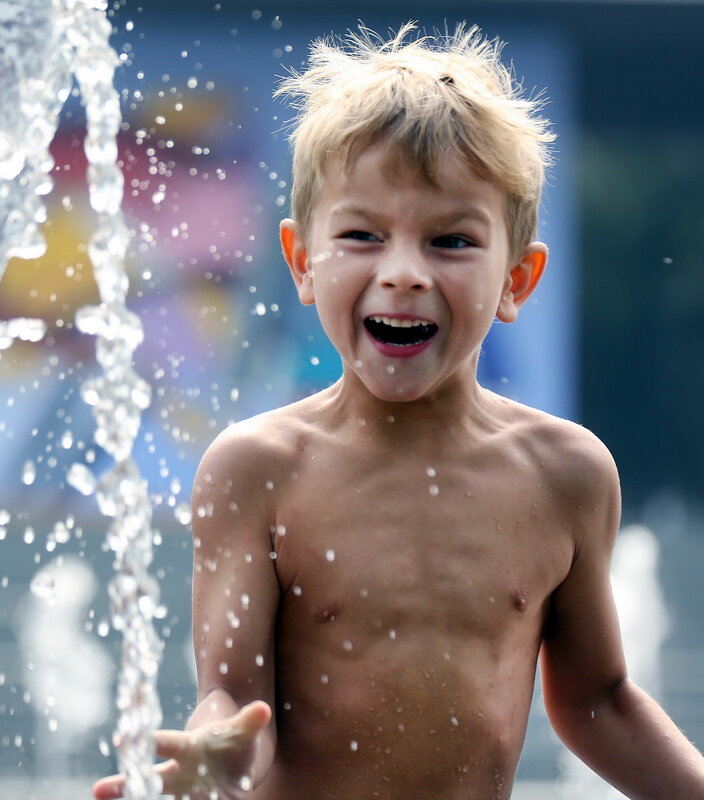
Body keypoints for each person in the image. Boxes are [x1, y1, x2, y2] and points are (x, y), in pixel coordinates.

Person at [93, 22, 704, 800]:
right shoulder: (258, 470)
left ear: (517, 278)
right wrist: (218, 756)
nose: (405, 273)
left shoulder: (566, 476)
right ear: (302, 262)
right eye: (361, 235)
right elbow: (234, 699)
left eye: (451, 241)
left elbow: (598, 700)